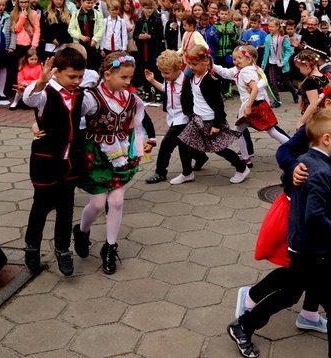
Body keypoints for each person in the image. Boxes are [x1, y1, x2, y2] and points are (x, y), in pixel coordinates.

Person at [239, 80, 331, 336]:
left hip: (325, 207)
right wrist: (293, 168)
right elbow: (285, 152)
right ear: (328, 104)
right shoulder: (312, 129)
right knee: (297, 267)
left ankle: (309, 313)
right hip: (303, 210)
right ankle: (252, 297)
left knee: (316, 264)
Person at [72, 53, 152, 275]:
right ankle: (81, 230)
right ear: (107, 75)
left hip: (120, 153)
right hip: (96, 155)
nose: (128, 82)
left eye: (130, 77)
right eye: (124, 77)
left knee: (116, 202)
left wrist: (147, 140)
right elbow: (68, 116)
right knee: (98, 204)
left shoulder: (128, 97)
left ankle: (110, 247)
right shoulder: (90, 97)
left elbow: (140, 119)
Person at [21, 48, 88, 275]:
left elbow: (89, 117)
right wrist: (41, 81)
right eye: (72, 77)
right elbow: (29, 98)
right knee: (40, 207)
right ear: (57, 72)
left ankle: (63, 249)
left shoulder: (81, 96)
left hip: (71, 163)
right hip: (46, 163)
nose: (77, 81)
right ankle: (32, 247)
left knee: (66, 209)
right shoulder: (46, 93)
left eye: (80, 76)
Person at [177, 45, 249, 184]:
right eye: (189, 64)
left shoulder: (209, 80)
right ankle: (187, 173)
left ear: (205, 62)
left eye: (194, 64)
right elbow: (188, 95)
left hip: (210, 121)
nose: (191, 67)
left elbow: (218, 106)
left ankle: (242, 168)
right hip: (197, 119)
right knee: (183, 141)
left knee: (219, 149)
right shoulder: (192, 76)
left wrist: (217, 124)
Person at [213, 46, 289, 169]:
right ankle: (246, 158)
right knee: (241, 131)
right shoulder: (243, 69)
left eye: (239, 58)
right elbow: (226, 73)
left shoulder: (246, 71)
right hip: (253, 104)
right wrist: (212, 65)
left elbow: (262, 82)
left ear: (250, 59)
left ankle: (292, 148)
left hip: (254, 105)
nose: (236, 61)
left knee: (270, 130)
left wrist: (254, 91)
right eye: (234, 58)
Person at [144, 50, 208, 185]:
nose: (164, 75)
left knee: (167, 144)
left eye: (166, 73)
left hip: (184, 118)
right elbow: (165, 89)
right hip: (173, 117)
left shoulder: (187, 80)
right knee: (183, 143)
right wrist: (152, 80)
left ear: (177, 69)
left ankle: (161, 172)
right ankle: (200, 156)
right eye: (162, 72)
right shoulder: (168, 79)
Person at [261, 18, 295, 107]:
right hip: (272, 62)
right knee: (272, 81)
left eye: (272, 26)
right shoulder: (268, 37)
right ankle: (277, 100)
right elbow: (266, 52)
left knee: (285, 80)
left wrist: (284, 61)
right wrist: (263, 64)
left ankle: (294, 92)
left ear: (277, 27)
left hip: (281, 63)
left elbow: (288, 51)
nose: (269, 28)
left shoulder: (283, 38)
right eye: (269, 26)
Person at [68, 0, 104, 70]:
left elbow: (101, 28)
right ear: (82, 2)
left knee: (93, 66)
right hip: (80, 44)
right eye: (88, 3)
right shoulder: (75, 14)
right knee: (80, 64)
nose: (90, 5)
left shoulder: (97, 14)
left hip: (92, 44)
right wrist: (80, 36)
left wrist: (95, 39)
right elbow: (71, 29)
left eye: (92, 3)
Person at [294, 50, 329, 129]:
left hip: (313, 118)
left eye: (300, 67)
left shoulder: (310, 81)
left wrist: (301, 121)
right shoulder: (325, 77)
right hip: (324, 115)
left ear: (306, 65)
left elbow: (313, 104)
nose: (300, 70)